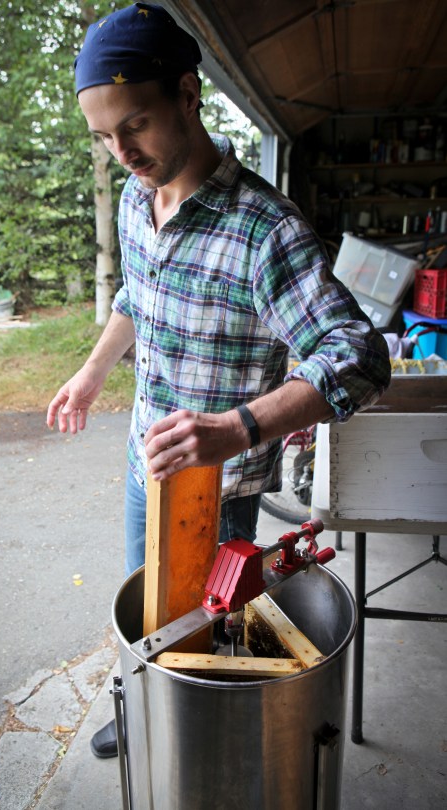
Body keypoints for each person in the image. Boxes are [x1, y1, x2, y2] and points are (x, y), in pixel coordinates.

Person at [46, 3, 391, 758]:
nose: (121, 152)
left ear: (187, 94)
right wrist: (91, 371)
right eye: (103, 137)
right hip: (149, 458)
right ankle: (142, 707)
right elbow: (138, 294)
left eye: (133, 125)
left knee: (204, 634)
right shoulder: (139, 202)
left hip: (222, 490)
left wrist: (236, 427)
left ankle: (197, 746)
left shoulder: (265, 230)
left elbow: (359, 355)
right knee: (146, 609)